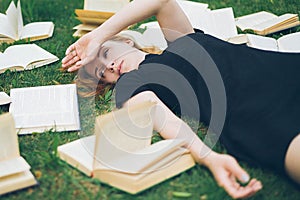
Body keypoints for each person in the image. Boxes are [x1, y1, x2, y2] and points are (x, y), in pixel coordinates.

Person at [62, 0, 300, 198]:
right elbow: (159, 115)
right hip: (258, 115)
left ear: (126, 40)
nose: (110, 66)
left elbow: (160, 1)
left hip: (285, 71)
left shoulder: (182, 39)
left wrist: (96, 37)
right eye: (102, 72)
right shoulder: (129, 84)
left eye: (105, 53)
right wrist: (209, 157)